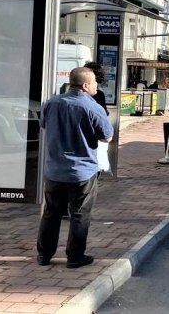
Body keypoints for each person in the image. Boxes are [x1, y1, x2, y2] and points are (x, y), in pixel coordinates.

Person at [36, 67, 113, 269]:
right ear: (86, 85)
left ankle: (44, 255)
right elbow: (107, 136)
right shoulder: (93, 107)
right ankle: (75, 256)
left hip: (54, 170)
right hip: (82, 170)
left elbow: (43, 125)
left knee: (51, 212)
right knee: (79, 213)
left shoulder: (51, 103)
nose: (97, 85)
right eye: (95, 81)